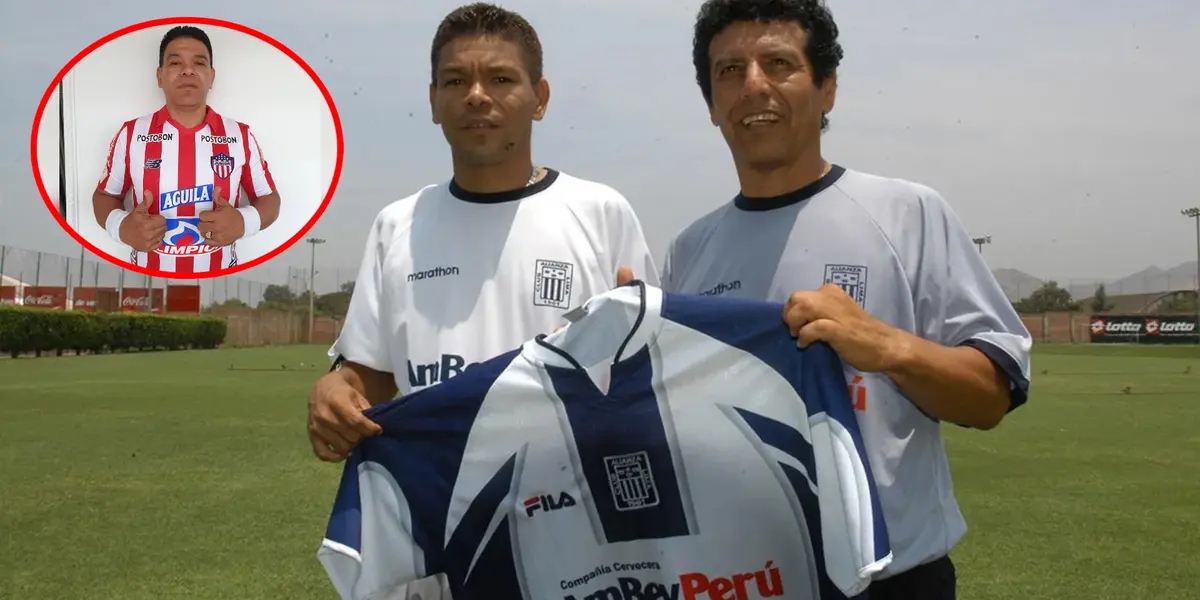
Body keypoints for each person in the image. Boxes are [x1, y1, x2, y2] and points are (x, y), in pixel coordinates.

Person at [656, 1, 1034, 598]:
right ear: (711, 103)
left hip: (893, 580)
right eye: (729, 71)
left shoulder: (907, 213)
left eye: (777, 63)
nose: (753, 85)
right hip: (745, 579)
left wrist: (887, 346)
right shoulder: (689, 251)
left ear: (826, 88)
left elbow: (989, 397)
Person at [307, 3, 656, 597]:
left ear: (539, 97)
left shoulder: (600, 214)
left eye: (500, 78)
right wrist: (336, 389)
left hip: (579, 534)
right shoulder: (398, 225)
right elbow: (368, 378)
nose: (476, 95)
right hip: (443, 530)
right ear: (435, 100)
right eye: (455, 81)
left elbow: (651, 376)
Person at [93, 25, 280, 274]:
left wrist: (244, 222)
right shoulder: (132, 133)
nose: (188, 70)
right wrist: (122, 227)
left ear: (212, 77)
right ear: (159, 76)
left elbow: (269, 199)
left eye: (199, 63)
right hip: (145, 277)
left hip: (220, 276)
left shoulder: (239, 135)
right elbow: (105, 196)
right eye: (175, 63)